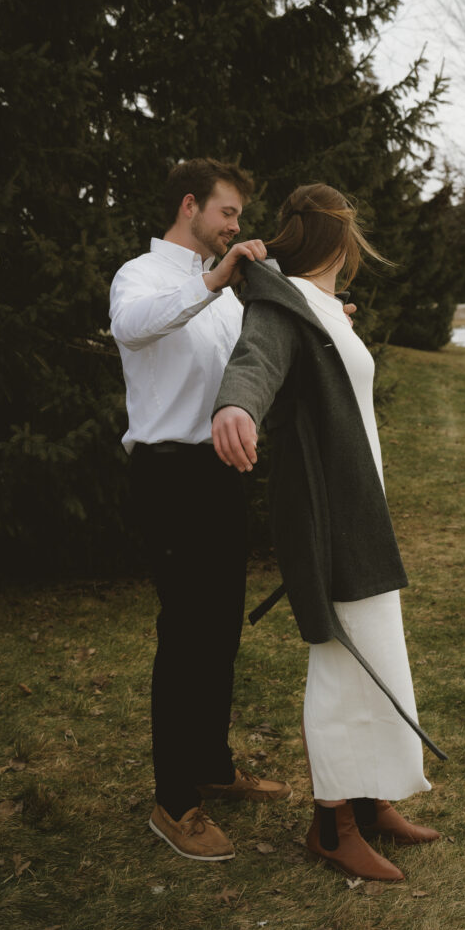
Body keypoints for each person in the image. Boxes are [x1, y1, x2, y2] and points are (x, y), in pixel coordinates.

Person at [212, 183, 444, 883]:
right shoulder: (280, 302)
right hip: (325, 509)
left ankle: (372, 804)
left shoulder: (322, 310)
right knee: (341, 661)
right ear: (340, 238)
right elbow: (255, 358)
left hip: (360, 507)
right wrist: (235, 407)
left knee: (377, 648)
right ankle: (330, 824)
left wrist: (334, 324)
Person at [109, 158, 292, 864]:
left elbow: (251, 364)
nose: (236, 228)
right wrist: (212, 282)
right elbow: (131, 328)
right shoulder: (141, 277)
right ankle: (173, 800)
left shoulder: (231, 291)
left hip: (219, 474)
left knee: (221, 628)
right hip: (168, 475)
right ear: (190, 206)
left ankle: (212, 766)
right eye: (228, 214)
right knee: (184, 633)